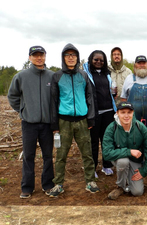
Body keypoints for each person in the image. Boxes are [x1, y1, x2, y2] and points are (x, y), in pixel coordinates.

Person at [49, 43, 99, 197]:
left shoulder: (83, 75)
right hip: (64, 121)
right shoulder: (57, 76)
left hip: (82, 121)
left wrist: (91, 118)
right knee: (61, 154)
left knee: (87, 153)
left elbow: (90, 97)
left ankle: (90, 181)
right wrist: (54, 124)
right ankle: (58, 184)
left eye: (73, 55)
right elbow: (53, 101)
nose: (71, 58)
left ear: (77, 57)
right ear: (63, 58)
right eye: (67, 55)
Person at [8, 45, 55, 199]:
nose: (39, 57)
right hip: (29, 123)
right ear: (30, 58)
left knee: (48, 155)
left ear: (45, 56)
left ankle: (48, 185)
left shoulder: (52, 76)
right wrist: (22, 111)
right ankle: (27, 187)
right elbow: (12, 96)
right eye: (35, 55)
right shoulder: (21, 76)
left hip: (47, 124)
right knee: (29, 156)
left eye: (41, 55)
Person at [102, 101, 147, 200]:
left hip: (135, 161)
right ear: (117, 113)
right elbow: (106, 153)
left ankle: (129, 180)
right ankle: (120, 186)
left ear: (133, 113)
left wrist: (145, 171)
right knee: (123, 161)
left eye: (129, 112)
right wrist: (129, 151)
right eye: (123, 112)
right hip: (119, 159)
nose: (126, 116)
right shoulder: (111, 128)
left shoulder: (140, 127)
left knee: (137, 192)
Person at [83, 50, 116, 177]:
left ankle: (107, 165)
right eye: (96, 59)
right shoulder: (86, 75)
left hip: (108, 112)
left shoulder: (106, 74)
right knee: (93, 141)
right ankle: (93, 168)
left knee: (107, 140)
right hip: (94, 113)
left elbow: (110, 91)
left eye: (101, 60)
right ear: (91, 60)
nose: (98, 62)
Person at [121, 55, 147, 141]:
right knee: (134, 137)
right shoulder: (129, 79)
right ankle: (135, 154)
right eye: (139, 63)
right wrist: (125, 113)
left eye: (144, 63)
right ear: (135, 65)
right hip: (133, 116)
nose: (142, 65)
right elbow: (123, 98)